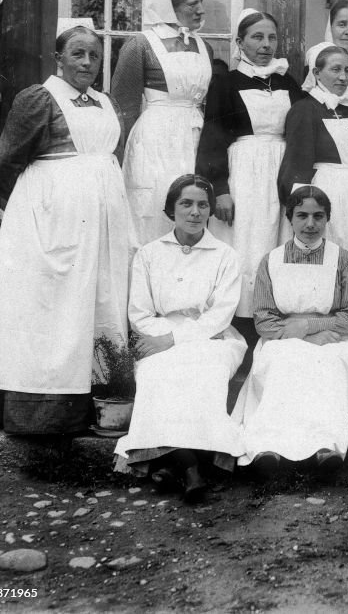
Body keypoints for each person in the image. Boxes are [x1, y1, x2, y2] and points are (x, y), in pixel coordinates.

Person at [0, 19, 134, 435]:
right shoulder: (39, 99)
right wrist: (43, 207)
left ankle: (103, 409)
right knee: (55, 308)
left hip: (102, 220)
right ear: (58, 58)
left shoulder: (104, 102)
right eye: (78, 54)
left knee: (100, 303)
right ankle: (47, 417)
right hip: (51, 221)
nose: (87, 62)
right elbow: (6, 165)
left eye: (94, 56)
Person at [115, 175, 246, 503]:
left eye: (203, 205)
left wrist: (173, 341)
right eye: (186, 204)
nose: (195, 212)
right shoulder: (148, 254)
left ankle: (171, 462)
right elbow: (140, 314)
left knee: (204, 368)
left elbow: (219, 316)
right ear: (171, 210)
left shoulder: (225, 255)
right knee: (158, 371)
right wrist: (163, 341)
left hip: (213, 337)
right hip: (156, 334)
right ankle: (189, 466)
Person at [232, 186, 348, 476]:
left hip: (333, 338)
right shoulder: (271, 260)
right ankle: (269, 446)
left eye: (318, 216)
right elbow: (264, 320)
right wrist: (303, 335)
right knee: (283, 361)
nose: (310, 224)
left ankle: (324, 445)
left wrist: (310, 326)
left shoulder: (343, 260)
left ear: (327, 219)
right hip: (281, 337)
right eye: (302, 216)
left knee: (326, 364)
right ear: (290, 218)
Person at [196, 9, 305, 318]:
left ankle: (275, 317)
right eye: (257, 37)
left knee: (279, 243)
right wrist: (219, 189)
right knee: (246, 245)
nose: (266, 45)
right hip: (244, 175)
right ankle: (242, 319)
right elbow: (212, 140)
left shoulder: (288, 83)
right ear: (240, 42)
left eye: (272, 37)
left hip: (282, 172)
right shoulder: (226, 84)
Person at [114, 0, 213, 244]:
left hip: (194, 136)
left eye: (201, 2)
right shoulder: (140, 45)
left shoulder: (203, 47)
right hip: (155, 141)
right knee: (154, 209)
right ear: (169, 6)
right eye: (192, 4)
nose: (200, 10)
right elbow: (124, 108)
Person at [278, 43, 348, 273]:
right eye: (336, 70)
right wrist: (303, 209)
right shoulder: (305, 109)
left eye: (347, 71)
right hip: (325, 193)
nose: (343, 77)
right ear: (316, 73)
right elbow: (296, 162)